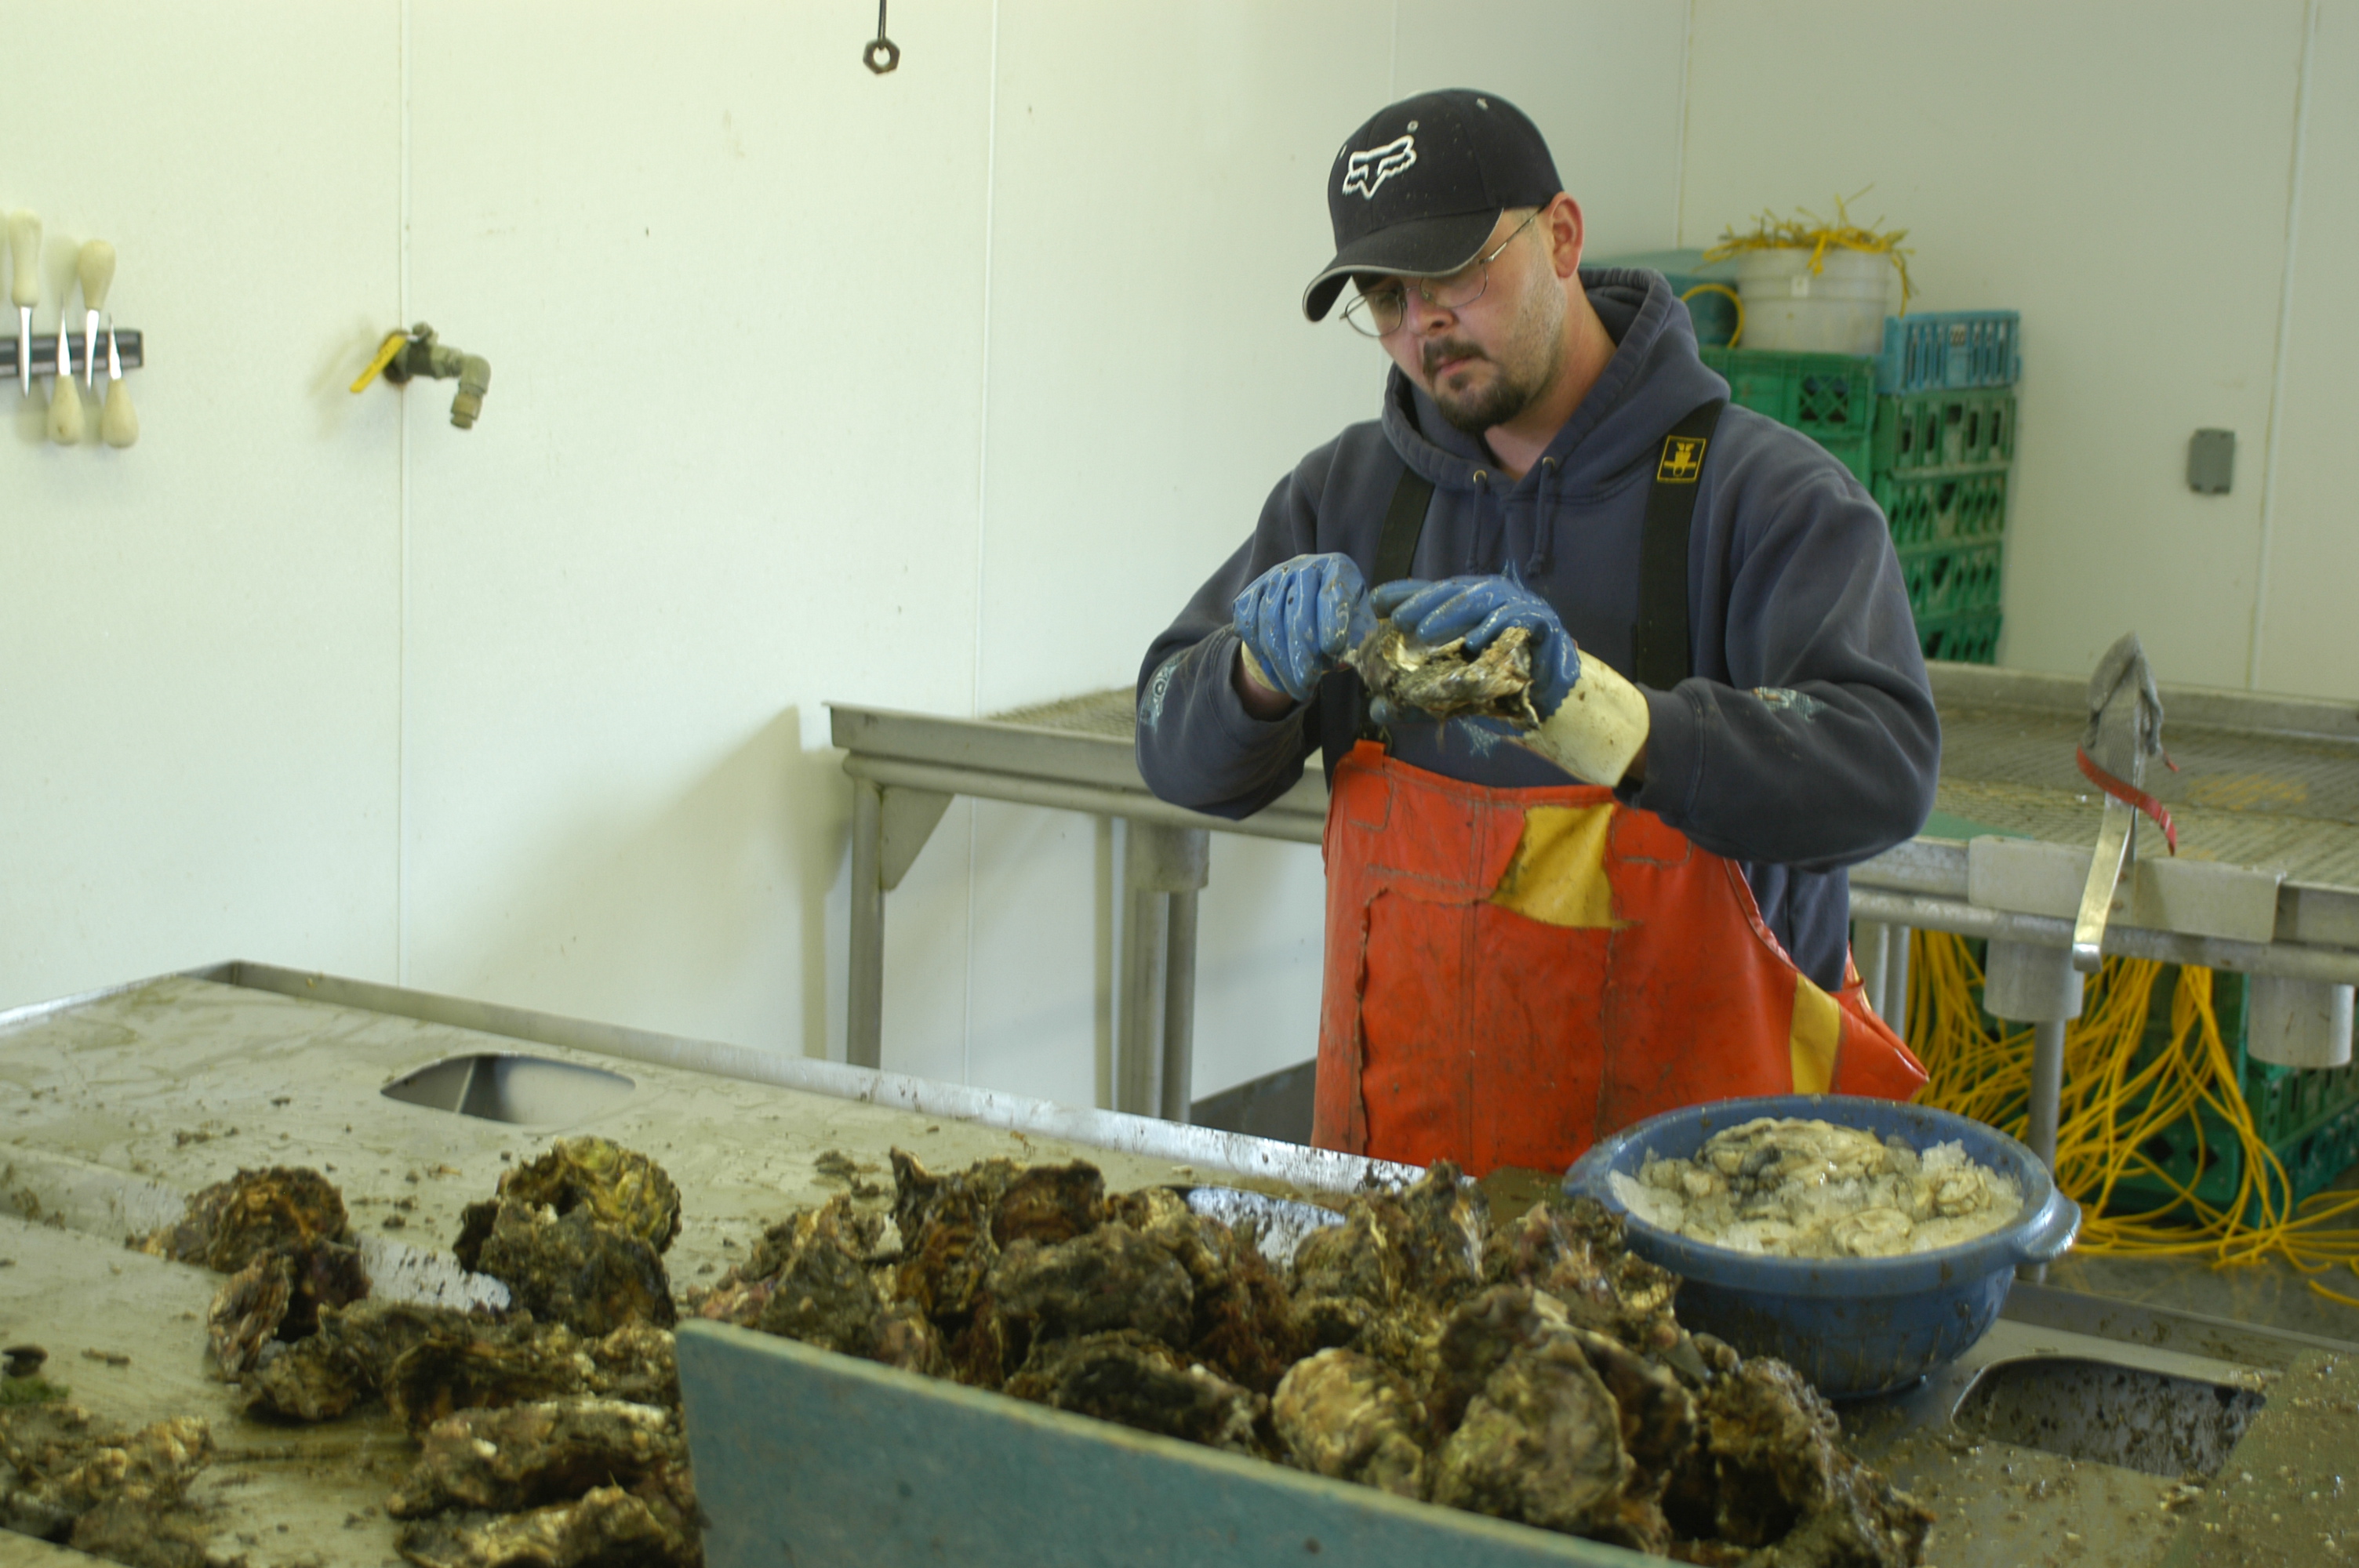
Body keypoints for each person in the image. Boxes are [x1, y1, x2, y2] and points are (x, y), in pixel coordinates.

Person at [1134, 89, 1938, 1176]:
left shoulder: (1770, 499)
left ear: (1561, 235)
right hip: (1408, 1213)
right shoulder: (1343, 498)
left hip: (1712, 1220)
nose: (1423, 323)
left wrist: (1609, 718)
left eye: (1458, 271)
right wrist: (1250, 677)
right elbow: (1171, 750)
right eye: (1385, 294)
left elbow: (1882, 771)